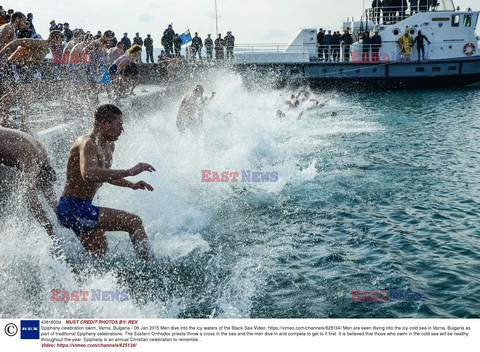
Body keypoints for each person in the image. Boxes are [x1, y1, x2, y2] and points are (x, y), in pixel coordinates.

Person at [57, 104, 155, 260]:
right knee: (134, 222)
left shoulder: (110, 145)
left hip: (84, 208)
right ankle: (152, 267)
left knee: (100, 256)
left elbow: (104, 175)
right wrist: (129, 171)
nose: (122, 129)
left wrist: (131, 184)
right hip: (73, 208)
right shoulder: (86, 143)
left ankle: (82, 280)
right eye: (119, 124)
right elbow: (88, 174)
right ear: (104, 123)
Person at [0, 127, 58, 240]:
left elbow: (49, 193)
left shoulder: (38, 158)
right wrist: (48, 228)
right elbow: (30, 199)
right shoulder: (33, 162)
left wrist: (58, 212)